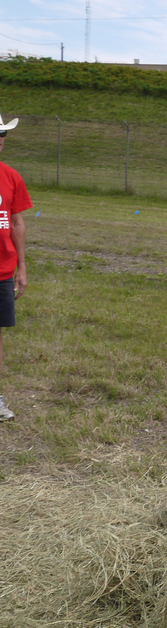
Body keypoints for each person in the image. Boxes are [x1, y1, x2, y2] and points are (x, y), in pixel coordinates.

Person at [0, 113, 31, 423]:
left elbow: (17, 222)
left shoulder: (11, 176)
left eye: (3, 134)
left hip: (2, 270)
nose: (0, 139)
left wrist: (21, 266)